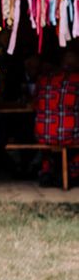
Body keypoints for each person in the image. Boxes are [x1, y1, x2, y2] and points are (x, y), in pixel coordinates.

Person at [34, 48, 79, 187]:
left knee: (51, 138)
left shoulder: (43, 79)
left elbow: (35, 103)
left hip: (43, 134)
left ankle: (47, 168)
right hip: (69, 135)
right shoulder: (77, 79)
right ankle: (73, 171)